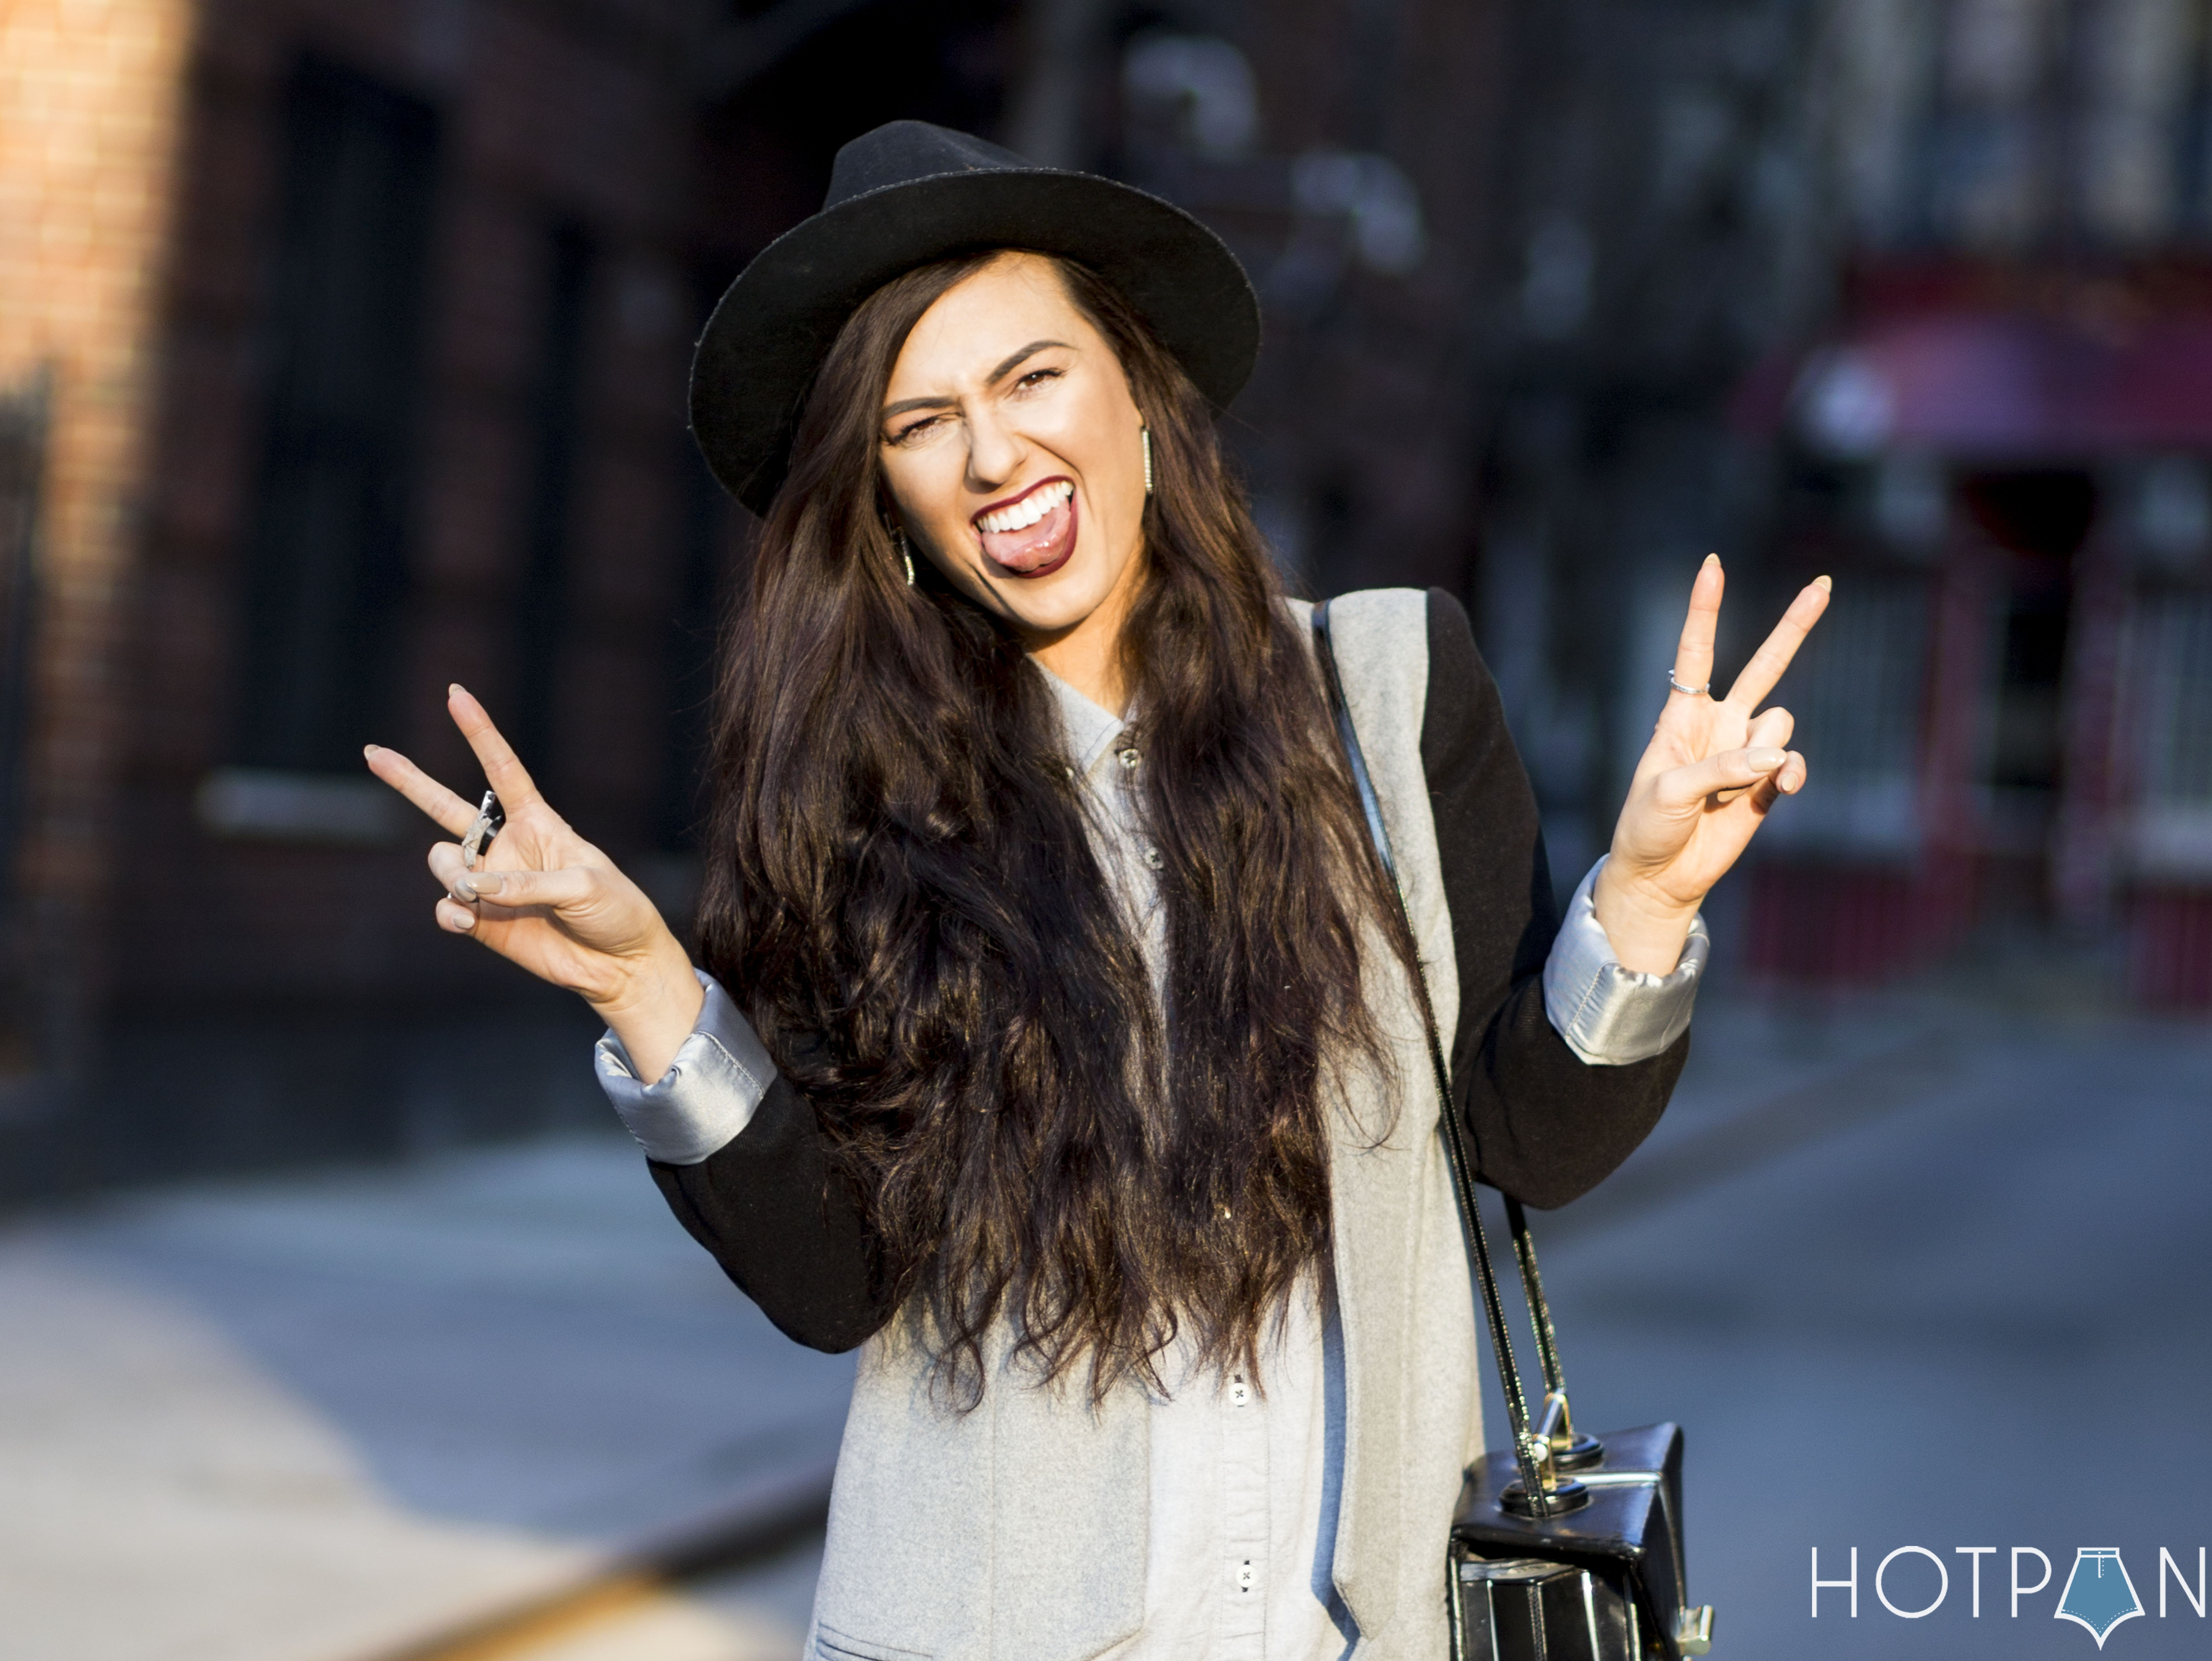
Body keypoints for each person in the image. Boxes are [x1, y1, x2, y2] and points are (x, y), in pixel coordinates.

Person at [366, 122, 1828, 1661]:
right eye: (920, 423)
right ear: (889, 510)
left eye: (1031, 378)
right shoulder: (858, 808)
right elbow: (832, 1282)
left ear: (1138, 399)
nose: (994, 456)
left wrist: (1648, 898)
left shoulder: (1390, 687)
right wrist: (643, 989)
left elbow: (1533, 1135)